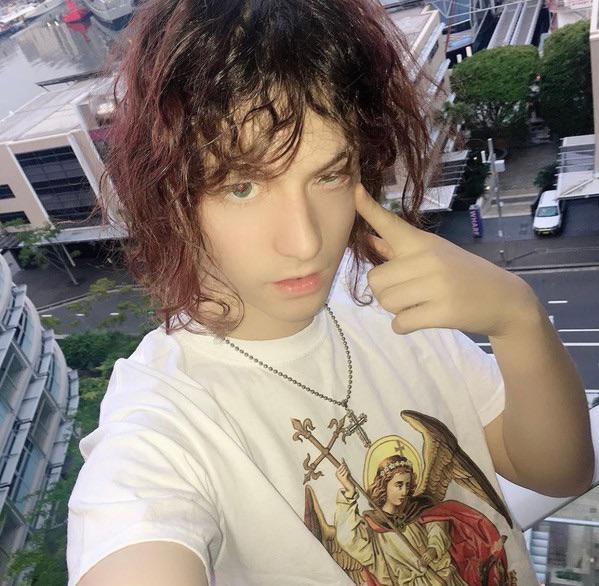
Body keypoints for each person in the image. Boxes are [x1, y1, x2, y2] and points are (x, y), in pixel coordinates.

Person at [66, 0, 594, 585]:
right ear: (170, 194)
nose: (306, 241)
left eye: (329, 175)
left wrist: (518, 317)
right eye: (241, 186)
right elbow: (134, 535)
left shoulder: (383, 299)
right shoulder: (165, 421)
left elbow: (559, 473)